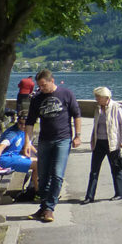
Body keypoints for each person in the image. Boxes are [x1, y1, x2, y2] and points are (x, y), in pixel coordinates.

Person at [25, 69, 81, 223]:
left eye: (44, 85)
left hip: (63, 139)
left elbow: (77, 115)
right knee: (43, 175)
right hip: (45, 140)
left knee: (57, 174)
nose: (42, 88)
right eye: (40, 86)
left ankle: (49, 208)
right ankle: (44, 207)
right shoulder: (37, 99)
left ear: (52, 81)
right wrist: (27, 142)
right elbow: (30, 122)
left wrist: (78, 136)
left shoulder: (66, 94)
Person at [81, 87, 122, 204]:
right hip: (99, 142)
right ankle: (90, 196)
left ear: (106, 97)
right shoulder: (97, 108)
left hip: (112, 142)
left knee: (115, 169)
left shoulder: (117, 107)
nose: (96, 99)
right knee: (94, 170)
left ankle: (120, 193)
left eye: (98, 97)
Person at [0, 109, 38, 199]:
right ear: (17, 122)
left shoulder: (23, 131)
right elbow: (0, 147)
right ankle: (38, 192)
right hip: (6, 159)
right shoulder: (12, 134)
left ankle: (35, 189)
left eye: (25, 124)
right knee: (38, 164)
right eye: (20, 123)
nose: (22, 126)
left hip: (14, 157)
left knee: (42, 161)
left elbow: (28, 145)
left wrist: (39, 154)